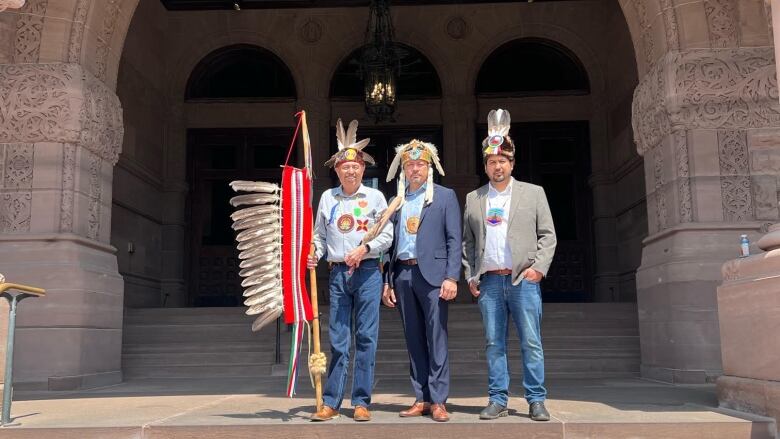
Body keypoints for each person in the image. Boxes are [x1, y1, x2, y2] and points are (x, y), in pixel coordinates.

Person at [462, 109, 557, 422]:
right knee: (493, 344)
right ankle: (498, 398)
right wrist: (470, 275)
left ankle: (536, 399)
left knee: (531, 342)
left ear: (511, 163)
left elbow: (548, 236)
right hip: (489, 282)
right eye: (491, 161)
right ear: (486, 166)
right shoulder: (474, 198)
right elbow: (468, 242)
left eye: (502, 160)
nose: (497, 166)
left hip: (522, 281)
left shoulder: (533, 193)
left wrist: (538, 269)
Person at [309, 119, 393, 422]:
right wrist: (315, 253)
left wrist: (365, 249)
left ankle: (361, 402)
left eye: (355, 166)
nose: (350, 171)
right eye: (345, 167)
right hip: (338, 275)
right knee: (338, 339)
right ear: (337, 170)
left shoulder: (376, 197)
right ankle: (331, 400)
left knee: (367, 337)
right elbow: (319, 235)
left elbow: (387, 234)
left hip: (369, 273)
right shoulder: (328, 198)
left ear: (362, 168)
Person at [381, 139, 461, 422]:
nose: (415, 169)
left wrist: (452, 276)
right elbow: (389, 244)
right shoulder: (397, 200)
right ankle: (422, 397)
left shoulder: (445, 196)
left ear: (430, 167)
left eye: (420, 164)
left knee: (436, 337)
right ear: (403, 169)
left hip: (434, 276)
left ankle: (439, 400)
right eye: (410, 164)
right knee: (413, 339)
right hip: (403, 273)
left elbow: (454, 239)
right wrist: (387, 281)